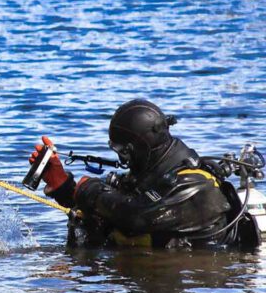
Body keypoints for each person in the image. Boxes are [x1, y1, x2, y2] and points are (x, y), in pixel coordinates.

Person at [29, 99, 258, 248]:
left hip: (202, 279)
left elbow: (135, 216)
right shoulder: (151, 177)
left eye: (123, 153)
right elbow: (112, 210)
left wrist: (90, 189)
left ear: (137, 149)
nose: (122, 161)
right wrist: (63, 186)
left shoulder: (193, 185)